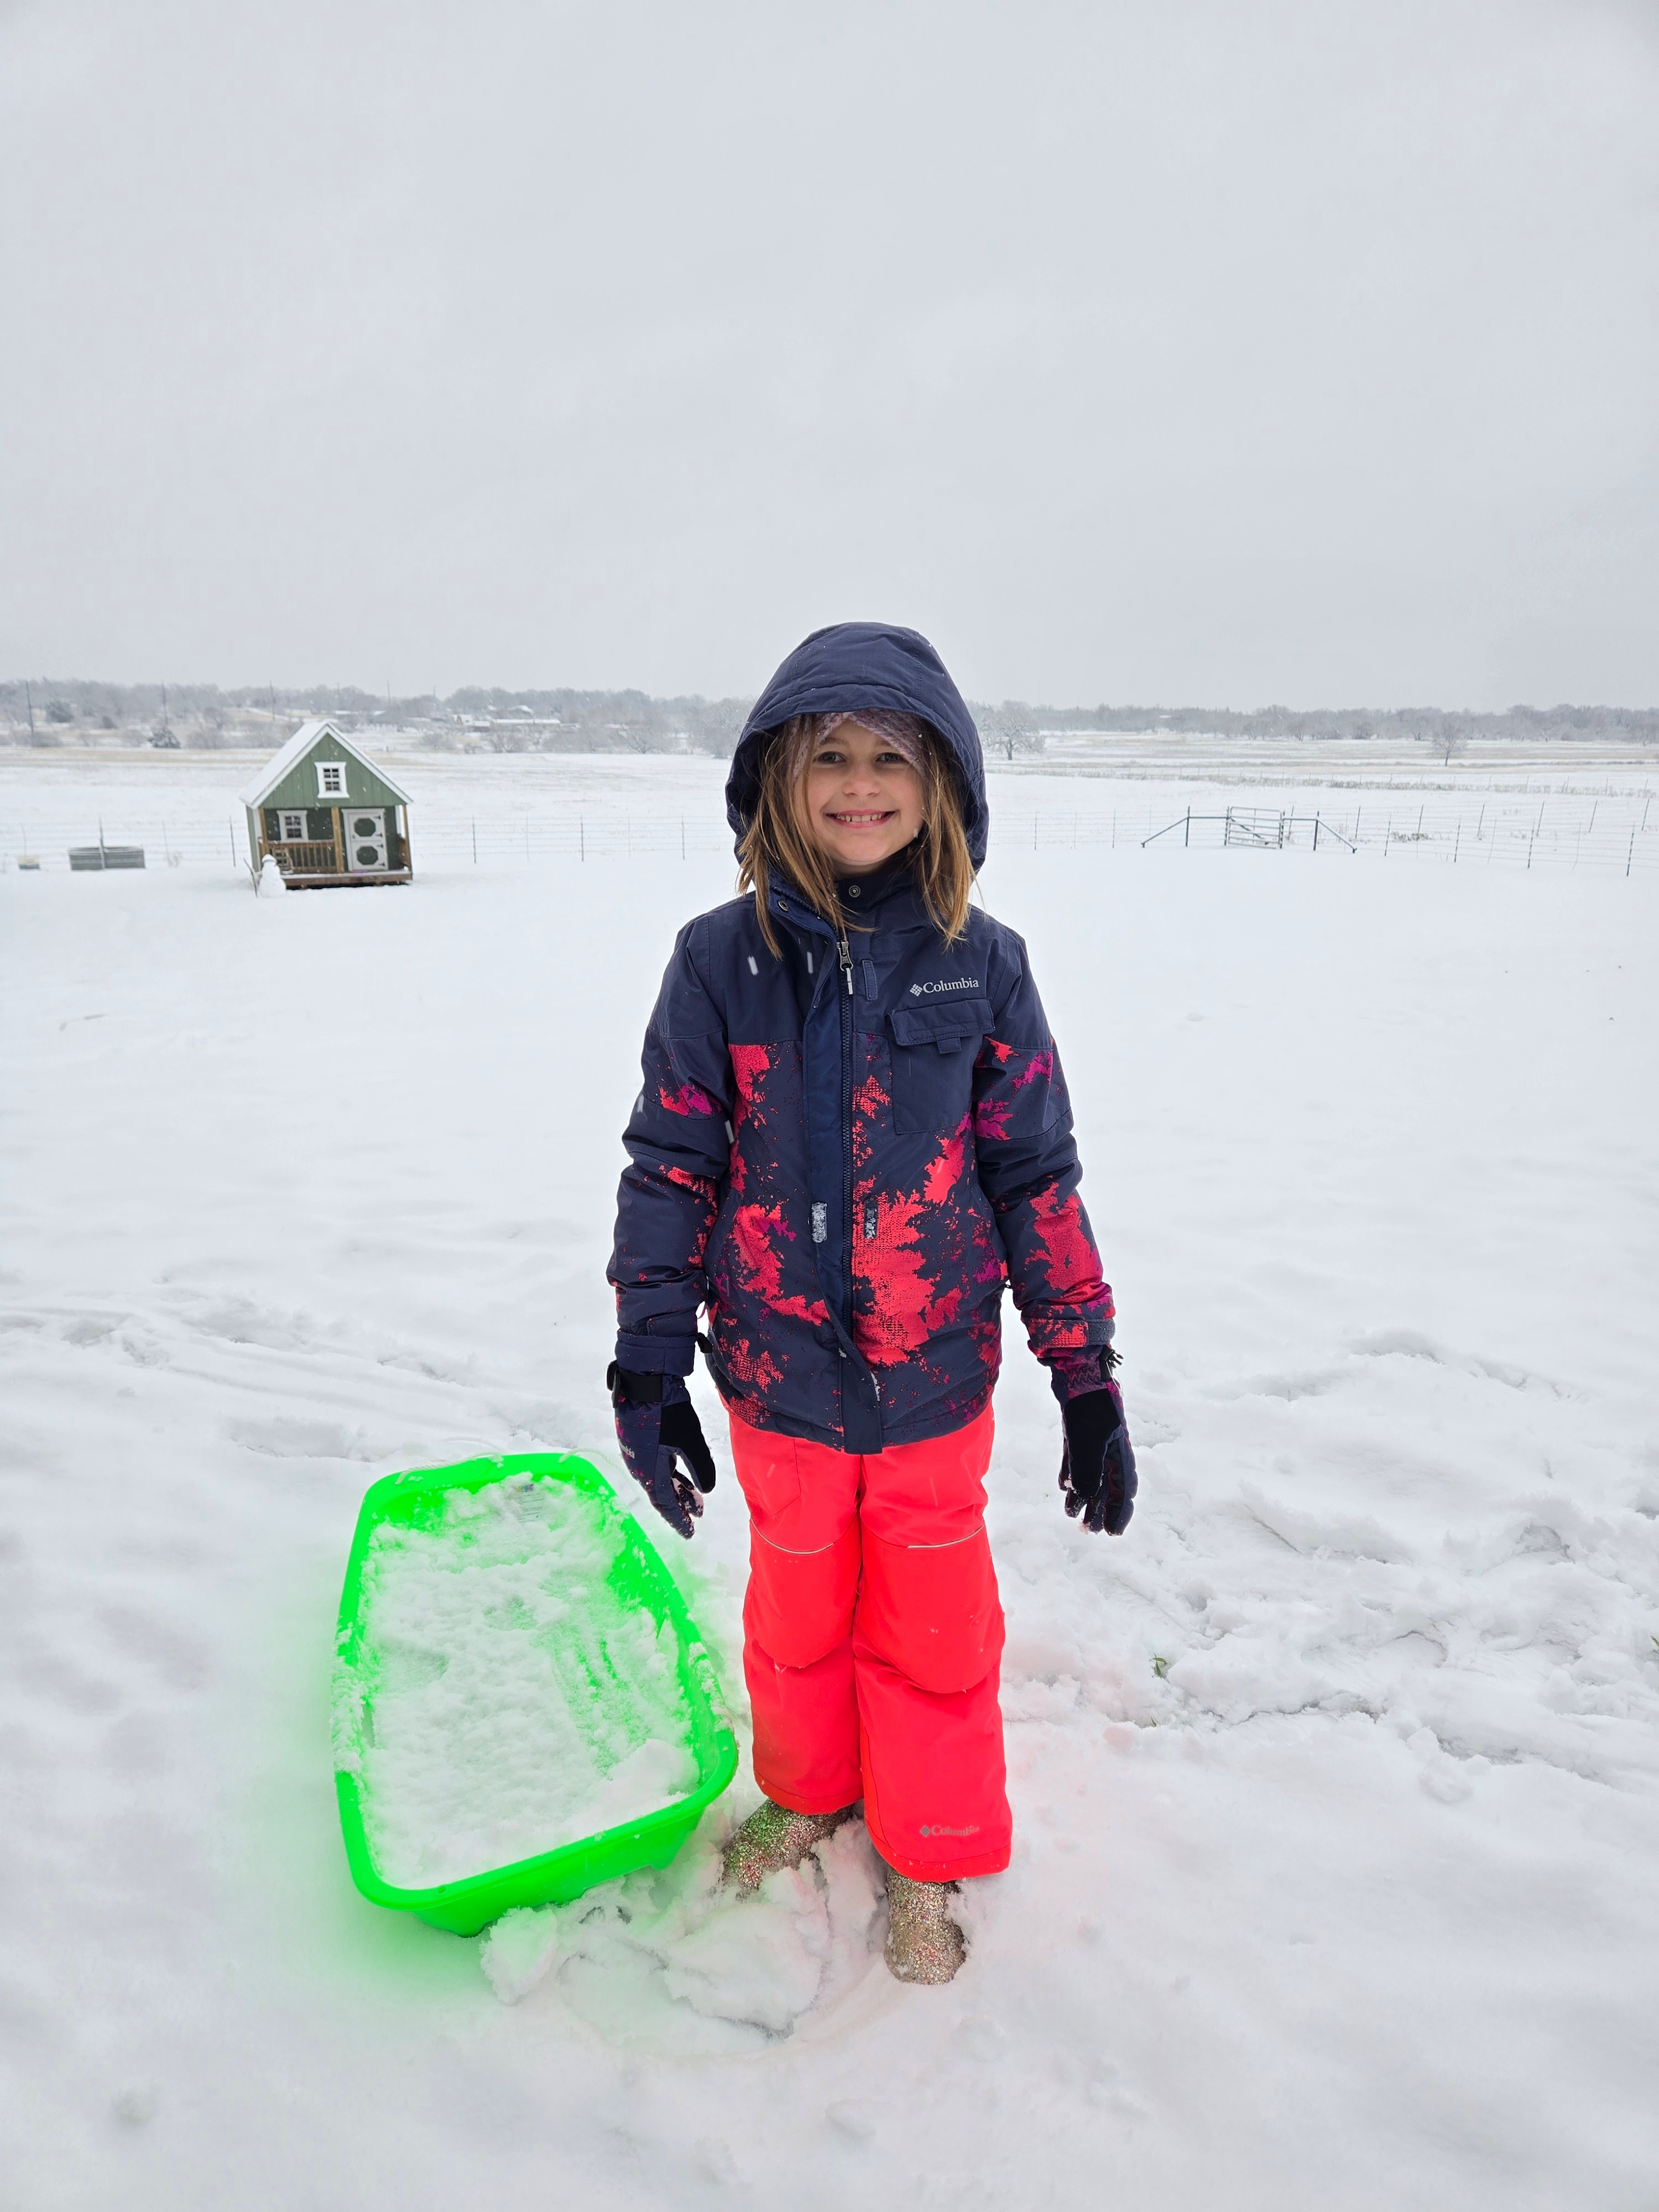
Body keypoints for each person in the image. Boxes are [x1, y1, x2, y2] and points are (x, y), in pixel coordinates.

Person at [606, 622, 1135, 1986]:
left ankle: (931, 1837)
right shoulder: (717, 961)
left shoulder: (985, 963)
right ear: (777, 776)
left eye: (889, 757)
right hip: (776, 1375)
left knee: (934, 1620)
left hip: (931, 1380)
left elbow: (1034, 1171)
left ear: (941, 782)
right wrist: (647, 1361)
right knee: (793, 1609)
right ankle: (811, 1788)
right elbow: (673, 1161)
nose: (858, 783)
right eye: (828, 755)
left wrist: (1085, 1372)